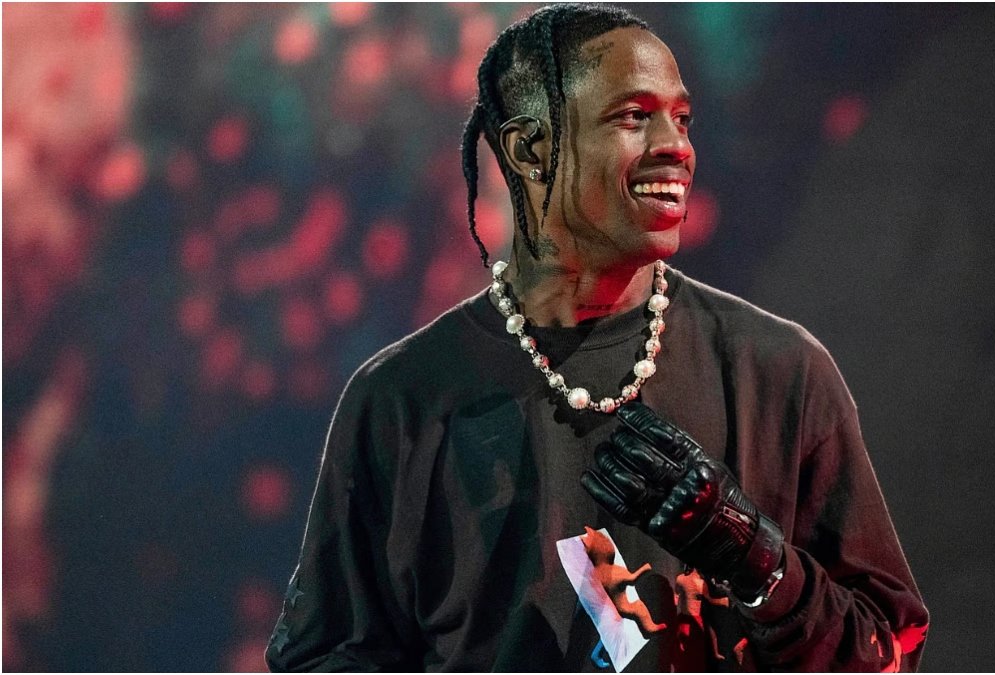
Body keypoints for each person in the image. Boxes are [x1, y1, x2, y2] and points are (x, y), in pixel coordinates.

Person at [266, 4, 929, 671]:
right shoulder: (402, 399)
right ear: (530, 150)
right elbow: (322, 656)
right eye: (634, 116)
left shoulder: (782, 373)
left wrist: (759, 563)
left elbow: (888, 653)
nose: (676, 146)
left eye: (682, 118)